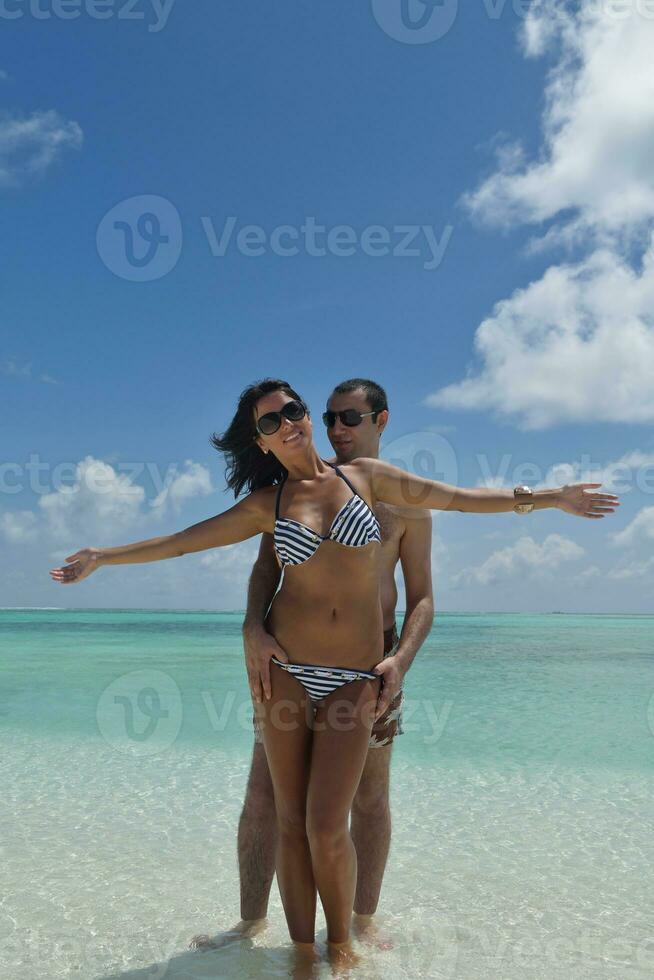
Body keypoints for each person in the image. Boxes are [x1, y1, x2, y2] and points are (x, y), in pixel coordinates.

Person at [48, 378, 619, 967]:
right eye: (271, 422)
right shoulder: (267, 505)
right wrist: (104, 557)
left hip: (355, 675)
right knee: (286, 819)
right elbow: (181, 543)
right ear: (261, 443)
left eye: (293, 411)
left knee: (329, 824)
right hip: (288, 671)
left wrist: (551, 497)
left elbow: (463, 497)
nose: (288, 423)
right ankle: (298, 955)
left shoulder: (371, 482)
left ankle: (344, 943)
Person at [220, 378, 434, 951]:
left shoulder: (401, 499)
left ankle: (360, 922)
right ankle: (250, 924)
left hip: (374, 660)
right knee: (265, 795)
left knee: (367, 797)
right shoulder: (300, 488)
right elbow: (269, 568)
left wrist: (402, 661)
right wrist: (251, 626)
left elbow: (423, 598)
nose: (338, 429)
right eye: (331, 417)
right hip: (290, 658)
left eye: (351, 419)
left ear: (381, 421)